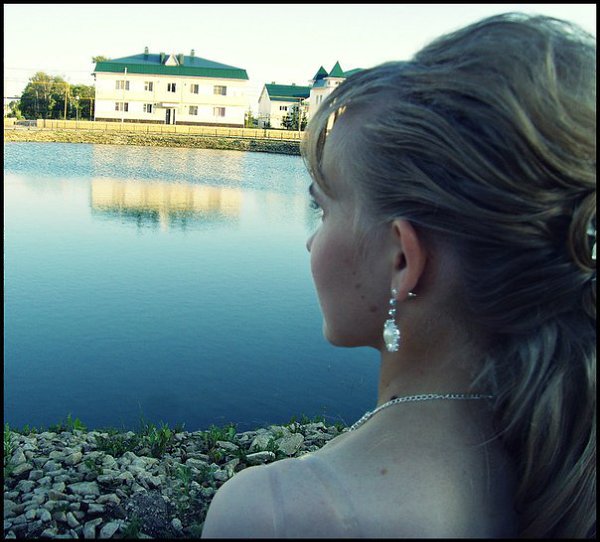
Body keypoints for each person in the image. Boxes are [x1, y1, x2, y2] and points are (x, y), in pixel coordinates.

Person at [201, 12, 596, 538]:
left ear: (402, 260)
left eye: (323, 209)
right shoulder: (565, 463)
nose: (311, 241)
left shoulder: (277, 513)